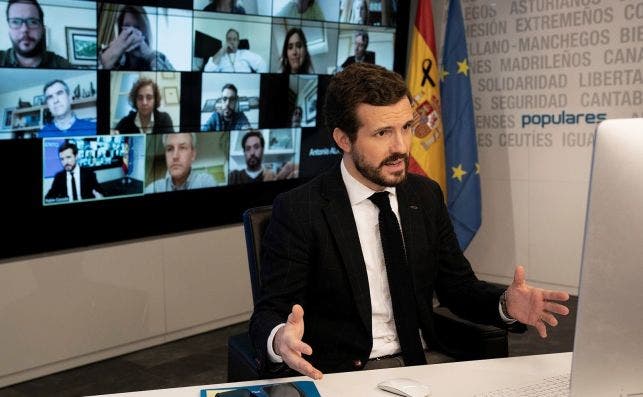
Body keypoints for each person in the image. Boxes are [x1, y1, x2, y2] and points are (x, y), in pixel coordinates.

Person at [249, 63, 570, 379]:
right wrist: (280, 339)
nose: (401, 147)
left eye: (406, 127)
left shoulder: (425, 195)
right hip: (347, 373)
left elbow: (458, 288)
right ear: (343, 140)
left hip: (429, 361)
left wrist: (505, 304)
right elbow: (270, 312)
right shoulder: (300, 210)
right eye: (382, 133)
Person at [99, 5, 174, 71]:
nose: (132, 33)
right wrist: (112, 53)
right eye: (127, 27)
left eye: (137, 28)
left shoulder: (158, 57)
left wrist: (149, 55)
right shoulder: (107, 51)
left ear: (146, 32)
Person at [0, 0, 72, 68]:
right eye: (15, 22)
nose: (24, 29)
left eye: (32, 22)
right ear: (9, 27)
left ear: (42, 28)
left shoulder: (62, 65)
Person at [145, 133, 216, 193]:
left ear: (193, 155)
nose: (175, 156)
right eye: (169, 149)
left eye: (182, 148)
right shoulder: (155, 188)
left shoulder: (205, 182)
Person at [228, 130, 296, 184]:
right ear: (244, 152)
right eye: (248, 148)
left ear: (263, 150)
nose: (252, 153)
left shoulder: (272, 177)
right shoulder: (234, 176)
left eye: (256, 147)